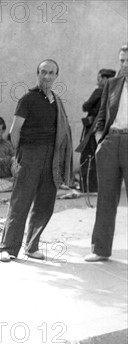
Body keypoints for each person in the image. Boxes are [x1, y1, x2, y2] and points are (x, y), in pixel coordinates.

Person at [0, 59, 73, 262]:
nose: (47, 76)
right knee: (20, 202)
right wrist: (19, 155)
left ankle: (32, 246)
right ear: (37, 74)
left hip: (52, 156)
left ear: (56, 76)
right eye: (43, 72)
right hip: (30, 154)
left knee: (45, 202)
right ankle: (8, 248)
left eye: (51, 73)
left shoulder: (56, 101)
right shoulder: (28, 99)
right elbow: (15, 131)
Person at [85, 45, 128, 262]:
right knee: (106, 199)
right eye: (121, 60)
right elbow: (101, 115)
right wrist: (100, 139)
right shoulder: (112, 84)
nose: (124, 65)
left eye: (127, 61)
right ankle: (100, 250)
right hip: (111, 142)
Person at [75, 68, 117, 192]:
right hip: (107, 129)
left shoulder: (100, 91)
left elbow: (86, 106)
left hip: (93, 128)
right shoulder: (115, 92)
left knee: (88, 156)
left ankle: (89, 187)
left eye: (99, 78)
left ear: (105, 79)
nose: (98, 81)